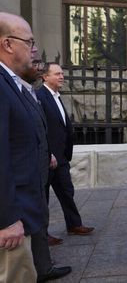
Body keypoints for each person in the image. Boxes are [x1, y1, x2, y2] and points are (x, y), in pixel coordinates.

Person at [0, 11, 44, 283]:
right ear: (7, 44)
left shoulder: (10, 83)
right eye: (29, 42)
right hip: (10, 225)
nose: (34, 48)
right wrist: (6, 219)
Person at [20, 58, 71, 282]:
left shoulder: (43, 95)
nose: (61, 77)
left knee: (58, 197)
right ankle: (42, 263)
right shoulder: (34, 95)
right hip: (39, 161)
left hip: (54, 157)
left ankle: (44, 264)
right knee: (41, 205)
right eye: (57, 74)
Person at [36, 63, 94, 236]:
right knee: (43, 198)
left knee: (67, 192)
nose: (61, 76)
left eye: (62, 73)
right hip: (48, 158)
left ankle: (74, 225)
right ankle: (43, 235)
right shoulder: (40, 96)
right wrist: (48, 153)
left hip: (61, 157)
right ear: (45, 77)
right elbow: (41, 128)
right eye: (57, 74)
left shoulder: (56, 96)